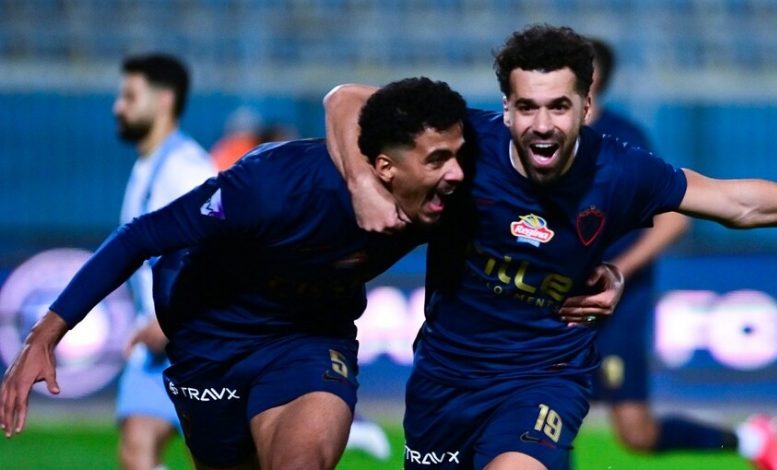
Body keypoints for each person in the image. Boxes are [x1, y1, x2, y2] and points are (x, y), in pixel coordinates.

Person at [323, 24, 777, 470]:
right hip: (445, 378)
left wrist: (620, 267)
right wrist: (363, 186)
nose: (542, 126)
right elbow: (345, 99)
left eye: (559, 107)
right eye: (527, 107)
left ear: (586, 107)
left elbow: (738, 204)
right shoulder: (465, 144)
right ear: (507, 108)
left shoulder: (620, 168)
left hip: (548, 375)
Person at [0, 77, 466, 469]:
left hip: (309, 339)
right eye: (436, 161)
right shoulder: (271, 186)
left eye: (456, 158)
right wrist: (45, 334)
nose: (457, 174)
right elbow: (139, 237)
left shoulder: (446, 193)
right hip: (211, 341)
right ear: (384, 168)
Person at [585, 37, 770, 466]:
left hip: (616, 307)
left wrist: (618, 268)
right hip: (554, 298)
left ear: (595, 79)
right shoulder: (539, 140)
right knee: (545, 411)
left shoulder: (624, 140)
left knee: (637, 432)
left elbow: (675, 219)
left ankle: (750, 440)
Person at [112, 53, 217, 470]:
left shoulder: (186, 169)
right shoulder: (149, 166)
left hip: (194, 336)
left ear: (164, 100)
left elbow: (220, 245)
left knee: (213, 458)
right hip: (162, 343)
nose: (118, 107)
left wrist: (169, 318)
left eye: (129, 96)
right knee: (136, 448)